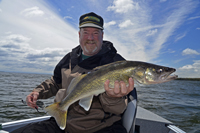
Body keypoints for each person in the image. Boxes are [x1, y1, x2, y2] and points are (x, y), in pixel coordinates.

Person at [12, 12, 134, 133]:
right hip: (62, 124)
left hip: (100, 128)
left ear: (102, 35)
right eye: (86, 32)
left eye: (95, 33)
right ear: (79, 34)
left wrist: (113, 98)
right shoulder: (69, 58)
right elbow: (55, 82)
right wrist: (37, 92)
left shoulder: (118, 64)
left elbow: (119, 109)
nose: (90, 38)